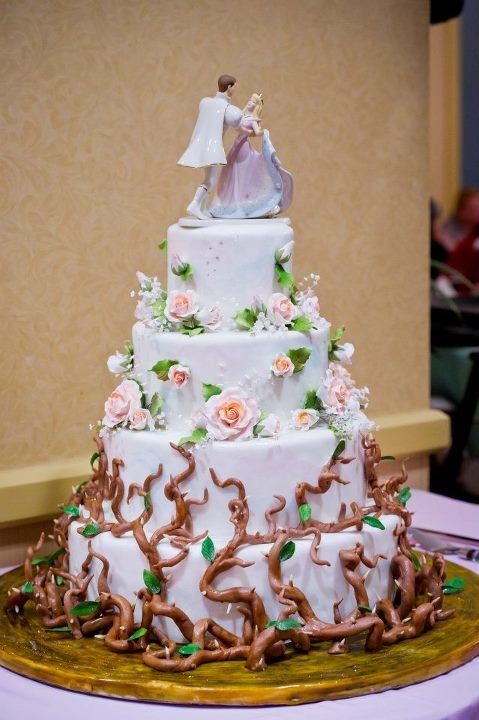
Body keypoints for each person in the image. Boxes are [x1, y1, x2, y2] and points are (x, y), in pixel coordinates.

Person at [209, 93, 293, 219]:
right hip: (236, 146)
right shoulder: (241, 115)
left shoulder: (253, 120)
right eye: (250, 100)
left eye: (254, 102)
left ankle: (240, 201)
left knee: (241, 173)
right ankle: (230, 201)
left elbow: (257, 132)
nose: (250, 103)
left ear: (256, 106)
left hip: (243, 147)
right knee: (232, 172)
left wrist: (263, 132)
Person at [178, 74, 242, 219]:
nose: (235, 90)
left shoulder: (205, 102)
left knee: (209, 178)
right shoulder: (228, 108)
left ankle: (201, 208)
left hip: (201, 146)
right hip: (213, 150)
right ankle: (195, 204)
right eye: (234, 87)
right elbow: (237, 119)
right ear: (229, 87)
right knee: (211, 180)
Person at [441, 187, 479, 252]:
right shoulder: (446, 228)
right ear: (461, 212)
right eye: (474, 209)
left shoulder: (476, 229)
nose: (477, 212)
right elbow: (458, 252)